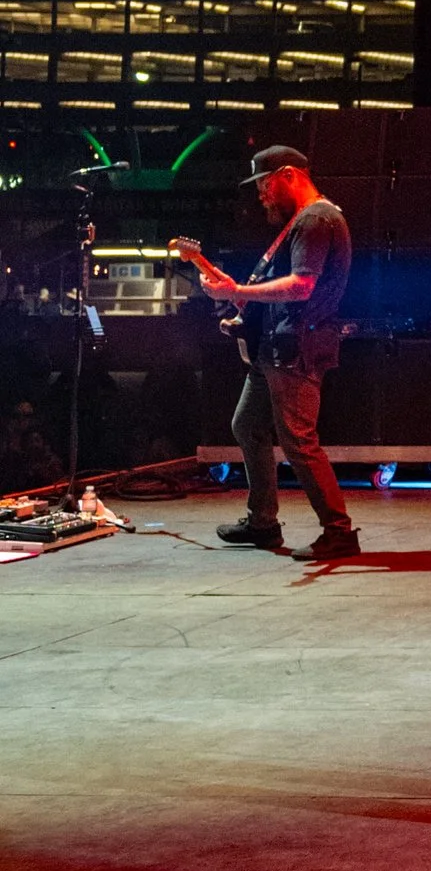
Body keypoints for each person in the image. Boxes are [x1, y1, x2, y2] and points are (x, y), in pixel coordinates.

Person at [173, 144, 360, 561]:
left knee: (298, 441)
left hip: (296, 348)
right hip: (276, 347)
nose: (261, 194)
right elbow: (279, 290)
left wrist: (238, 291)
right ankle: (262, 523)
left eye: (265, 183)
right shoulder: (302, 221)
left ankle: (339, 532)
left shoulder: (317, 219)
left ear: (289, 175)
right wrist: (239, 300)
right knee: (247, 425)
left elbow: (301, 286)